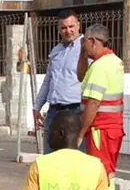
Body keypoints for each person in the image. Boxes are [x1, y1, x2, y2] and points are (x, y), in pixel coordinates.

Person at [77, 24, 125, 190]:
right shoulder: (113, 61)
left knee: (101, 175)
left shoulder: (100, 67)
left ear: (93, 41)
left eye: (85, 41)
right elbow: (81, 76)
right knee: (106, 173)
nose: (83, 44)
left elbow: (93, 104)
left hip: (100, 128)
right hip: (111, 127)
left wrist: (80, 132)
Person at [33, 9, 89, 154]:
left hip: (76, 111)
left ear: (78, 26)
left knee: (76, 157)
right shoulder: (56, 50)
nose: (68, 31)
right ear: (58, 29)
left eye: (71, 27)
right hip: (54, 111)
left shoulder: (86, 49)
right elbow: (48, 80)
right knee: (49, 156)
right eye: (64, 28)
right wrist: (37, 106)